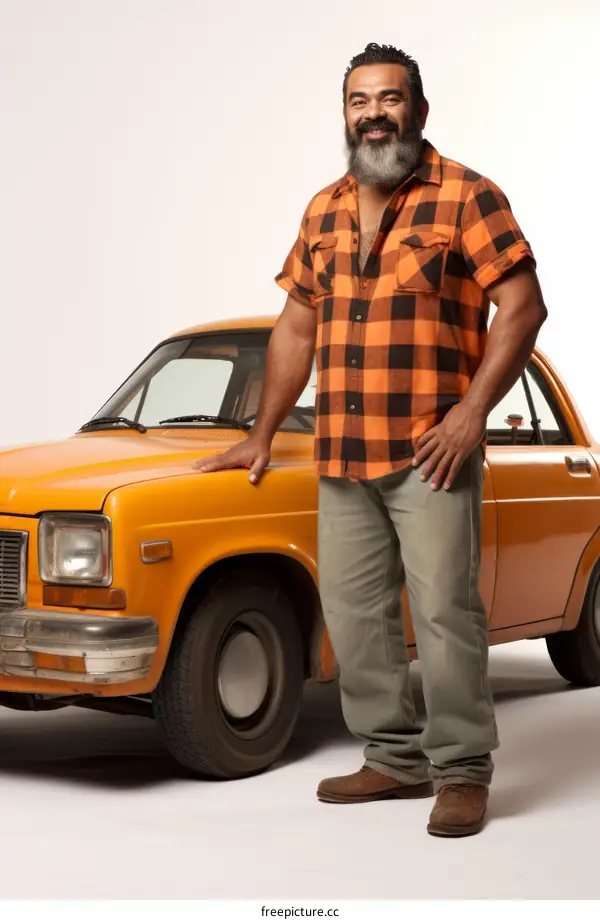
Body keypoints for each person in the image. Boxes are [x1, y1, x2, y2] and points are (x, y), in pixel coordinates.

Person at [194, 42, 547, 837]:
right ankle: (393, 756)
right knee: (353, 615)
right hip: (343, 450)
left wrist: (471, 414)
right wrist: (262, 433)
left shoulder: (467, 195)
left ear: (418, 109)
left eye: (389, 98)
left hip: (430, 451)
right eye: (360, 101)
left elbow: (523, 307)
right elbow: (296, 327)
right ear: (346, 115)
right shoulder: (323, 209)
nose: (374, 114)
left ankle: (462, 770)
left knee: (446, 613)